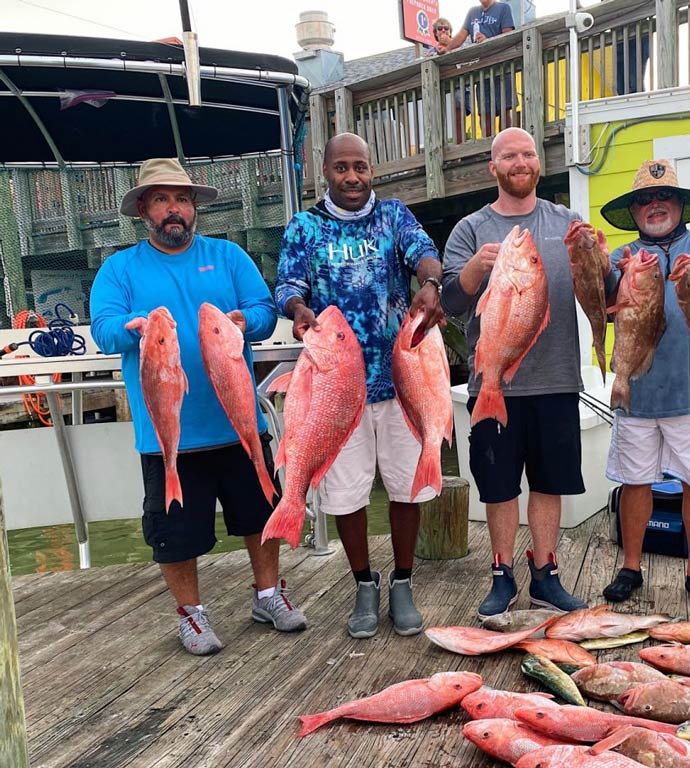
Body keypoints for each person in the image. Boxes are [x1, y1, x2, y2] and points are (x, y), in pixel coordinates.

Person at [90, 158, 307, 657]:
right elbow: (102, 326)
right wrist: (130, 328)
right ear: (143, 209)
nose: (174, 209)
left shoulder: (228, 256)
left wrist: (242, 321)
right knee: (175, 533)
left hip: (239, 425)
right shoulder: (119, 268)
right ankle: (191, 613)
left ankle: (268, 594)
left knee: (262, 513)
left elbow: (262, 308)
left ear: (194, 209)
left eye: (182, 199)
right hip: (168, 434)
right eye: (163, 199)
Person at [276, 133, 445, 640]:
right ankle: (363, 584)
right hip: (335, 387)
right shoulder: (305, 226)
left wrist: (431, 284)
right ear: (325, 171)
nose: (353, 177)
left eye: (362, 167)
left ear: (373, 170)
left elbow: (425, 253)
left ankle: (402, 582)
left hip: (401, 380)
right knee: (347, 494)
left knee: (405, 486)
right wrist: (297, 311)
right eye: (342, 168)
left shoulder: (393, 216)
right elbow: (288, 286)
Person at [441, 127, 588, 618]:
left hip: (557, 380)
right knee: (499, 485)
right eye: (509, 155)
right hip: (493, 381)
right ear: (493, 167)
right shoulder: (470, 228)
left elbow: (598, 284)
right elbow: (450, 300)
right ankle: (502, 572)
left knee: (548, 483)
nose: (520, 162)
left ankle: (545, 574)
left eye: (528, 154)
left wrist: (600, 256)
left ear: (539, 164)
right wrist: (474, 272)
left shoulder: (567, 221)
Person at [598, 160, 690, 611]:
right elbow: (600, 305)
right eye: (644, 199)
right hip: (635, 390)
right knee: (634, 482)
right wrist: (608, 273)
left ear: (680, 204)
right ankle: (631, 565)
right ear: (634, 210)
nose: (654, 205)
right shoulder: (621, 258)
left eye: (663, 197)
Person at [435, 0, 517, 137]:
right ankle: (488, 146)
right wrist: (447, 49)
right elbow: (461, 36)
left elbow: (508, 36)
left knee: (504, 109)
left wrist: (488, 39)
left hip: (502, 66)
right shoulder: (473, 12)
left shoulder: (503, 8)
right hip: (482, 70)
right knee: (485, 112)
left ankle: (506, 142)